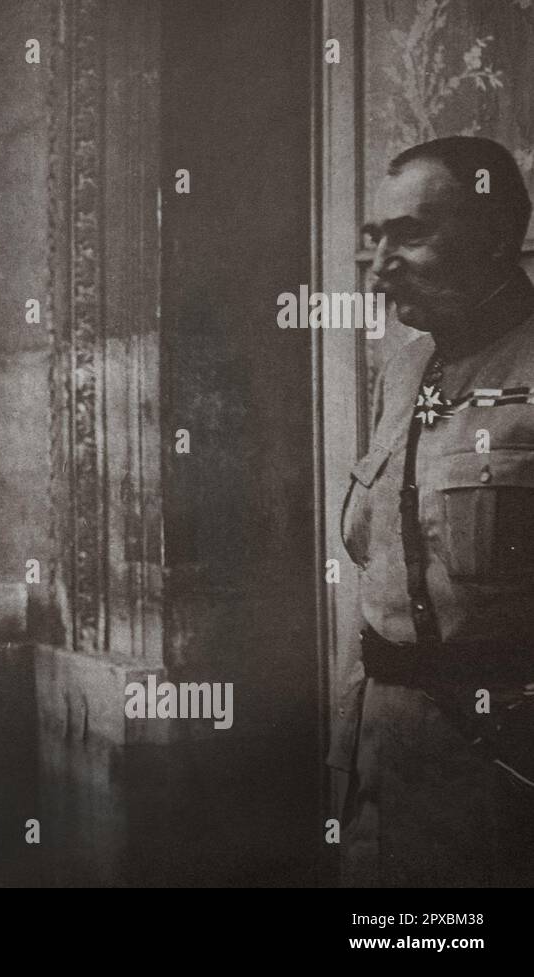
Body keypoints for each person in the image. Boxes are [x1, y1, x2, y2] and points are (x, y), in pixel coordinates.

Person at [331, 135, 534, 885]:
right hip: (381, 767)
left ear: (493, 236)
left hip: (503, 780)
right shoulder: (404, 365)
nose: (380, 267)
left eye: (410, 234)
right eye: (374, 239)